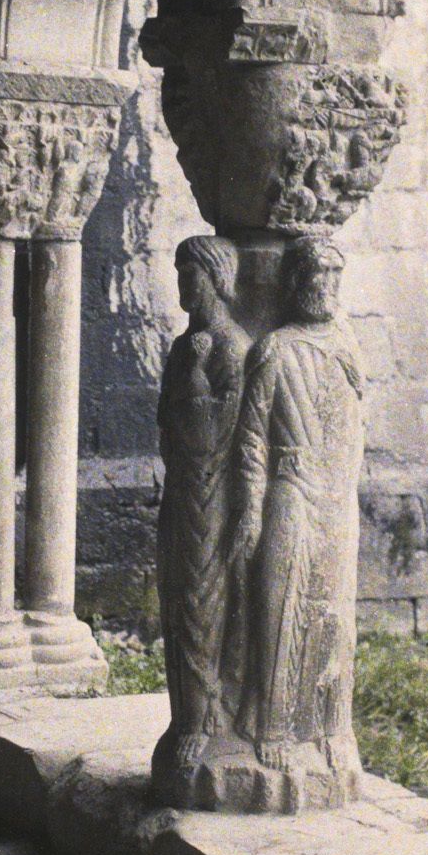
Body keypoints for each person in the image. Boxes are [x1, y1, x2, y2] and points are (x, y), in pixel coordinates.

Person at [224, 237, 365, 759]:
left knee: (330, 615)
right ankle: (272, 726)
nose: (323, 286)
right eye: (314, 274)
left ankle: (324, 727)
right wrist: (250, 509)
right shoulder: (275, 349)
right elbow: (253, 436)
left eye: (332, 275)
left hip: (336, 497)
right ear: (293, 282)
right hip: (291, 491)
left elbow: (356, 424)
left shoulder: (347, 348)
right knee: (279, 606)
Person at [153, 235, 248, 768]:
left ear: (216, 279)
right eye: (180, 273)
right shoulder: (185, 346)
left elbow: (214, 435)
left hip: (212, 494)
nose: (183, 285)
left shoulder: (229, 349)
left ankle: (203, 719)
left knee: (201, 602)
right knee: (177, 593)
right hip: (183, 489)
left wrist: (192, 376)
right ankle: (186, 712)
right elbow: (166, 425)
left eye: (190, 274)